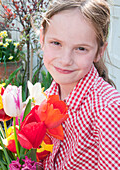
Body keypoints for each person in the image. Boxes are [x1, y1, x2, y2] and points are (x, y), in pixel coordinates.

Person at [39, 0, 120, 169]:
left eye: (81, 48)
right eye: (56, 43)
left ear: (99, 52)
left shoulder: (108, 108)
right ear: (42, 39)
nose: (65, 60)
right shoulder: (46, 97)